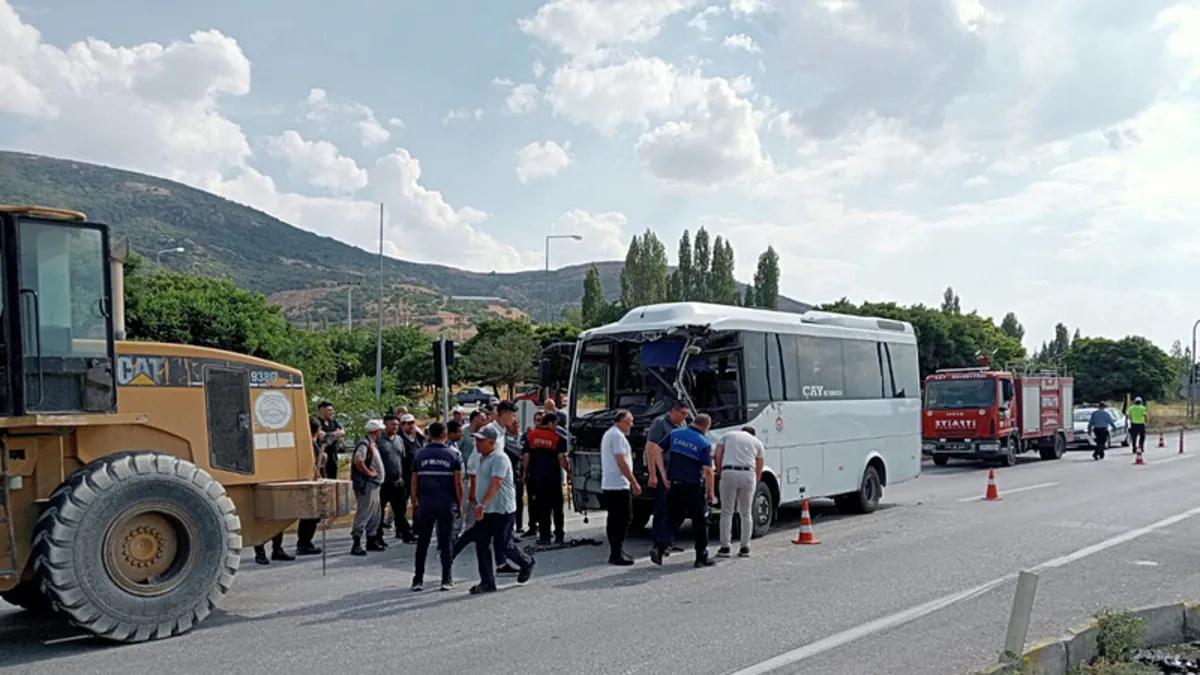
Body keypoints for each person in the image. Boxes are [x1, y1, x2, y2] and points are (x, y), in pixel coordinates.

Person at [470, 424, 535, 595]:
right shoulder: (481, 458)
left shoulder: (499, 458)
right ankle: (487, 582)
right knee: (482, 545)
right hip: (485, 510)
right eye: (476, 440)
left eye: (480, 440)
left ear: (492, 442)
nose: (477, 443)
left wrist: (481, 504)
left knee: (504, 546)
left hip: (501, 510)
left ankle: (526, 562)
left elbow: (496, 483)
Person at [651, 413, 715, 568]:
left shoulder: (675, 434)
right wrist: (711, 492)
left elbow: (655, 449)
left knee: (673, 518)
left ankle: (659, 548)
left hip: (674, 484)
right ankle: (701, 557)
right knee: (700, 521)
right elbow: (708, 470)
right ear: (706, 427)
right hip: (693, 487)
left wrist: (663, 472)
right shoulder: (703, 443)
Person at [410, 422, 463, 592]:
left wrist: (414, 501)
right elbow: (458, 483)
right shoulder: (453, 455)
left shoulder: (419, 455)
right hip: (445, 504)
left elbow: (414, 481)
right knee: (446, 541)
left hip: (425, 504)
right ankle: (446, 579)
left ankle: (418, 580)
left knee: (422, 543)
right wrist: (459, 504)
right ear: (445, 435)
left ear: (429, 435)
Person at [714, 426, 765, 558]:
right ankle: (745, 547)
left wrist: (720, 472)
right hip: (748, 474)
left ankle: (725, 547)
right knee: (746, 512)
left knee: (726, 511)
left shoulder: (728, 435)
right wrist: (755, 480)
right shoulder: (757, 442)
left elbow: (717, 455)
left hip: (729, 472)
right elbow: (759, 465)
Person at [645, 400, 689, 553]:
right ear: (673, 411)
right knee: (661, 507)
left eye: (686, 415)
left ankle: (668, 541)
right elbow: (650, 449)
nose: (684, 418)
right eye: (682, 414)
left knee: (674, 507)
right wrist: (652, 475)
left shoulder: (681, 425)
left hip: (675, 471)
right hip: (661, 469)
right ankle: (658, 543)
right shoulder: (660, 423)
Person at [600, 410, 641, 566]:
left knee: (614, 518)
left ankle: (617, 550)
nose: (631, 424)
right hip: (618, 484)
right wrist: (634, 482)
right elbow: (621, 462)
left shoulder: (610, 434)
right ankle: (616, 552)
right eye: (629, 421)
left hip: (610, 483)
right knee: (623, 518)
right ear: (621, 421)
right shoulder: (617, 436)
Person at [523, 412, 570, 545]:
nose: (556, 427)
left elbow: (526, 457)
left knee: (542, 507)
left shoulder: (530, 436)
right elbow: (562, 459)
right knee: (557, 507)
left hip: (537, 478)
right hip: (553, 478)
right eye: (555, 424)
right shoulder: (557, 438)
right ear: (549, 423)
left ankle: (545, 537)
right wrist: (569, 472)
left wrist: (525, 473)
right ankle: (559, 535)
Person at [350, 420, 387, 556]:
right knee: (364, 513)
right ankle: (356, 543)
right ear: (376, 431)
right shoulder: (364, 444)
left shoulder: (371, 444)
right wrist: (369, 473)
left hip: (374, 484)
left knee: (375, 514)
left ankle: (371, 541)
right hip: (367, 485)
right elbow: (358, 460)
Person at [376, 414, 414, 544]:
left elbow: (401, 459)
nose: (395, 427)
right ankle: (377, 537)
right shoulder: (378, 440)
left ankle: (405, 535)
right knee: (379, 512)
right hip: (383, 483)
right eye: (392, 424)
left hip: (398, 482)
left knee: (400, 511)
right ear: (385, 425)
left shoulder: (399, 439)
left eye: (397, 425)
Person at [396, 413, 425, 541]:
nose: (411, 425)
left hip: (417, 475)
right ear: (402, 425)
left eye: (413, 422)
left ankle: (417, 528)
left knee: (417, 502)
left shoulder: (417, 436)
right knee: (401, 504)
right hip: (404, 475)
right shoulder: (399, 438)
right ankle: (401, 530)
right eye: (408, 423)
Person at [316, 401, 346, 480]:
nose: (331, 412)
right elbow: (322, 436)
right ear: (322, 410)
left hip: (333, 456)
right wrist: (336, 434)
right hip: (322, 456)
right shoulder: (317, 422)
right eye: (329, 410)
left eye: (332, 410)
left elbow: (342, 432)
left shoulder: (333, 422)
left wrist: (330, 435)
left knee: (333, 478)